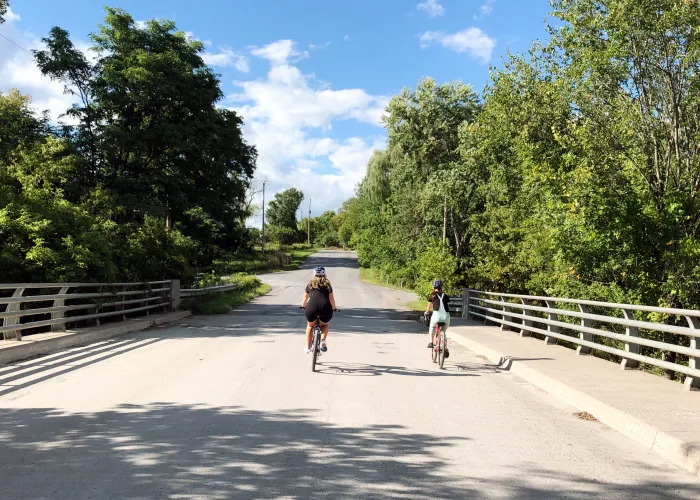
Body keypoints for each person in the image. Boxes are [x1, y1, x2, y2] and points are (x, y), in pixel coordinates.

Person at [301, 266, 337, 354]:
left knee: (310, 326)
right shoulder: (328, 285)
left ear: (314, 274)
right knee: (324, 325)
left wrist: (303, 306)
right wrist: (334, 308)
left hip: (311, 308)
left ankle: (307, 347)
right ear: (324, 274)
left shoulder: (310, 284)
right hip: (325, 308)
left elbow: (305, 298)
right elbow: (331, 299)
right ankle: (323, 340)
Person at [424, 279, 450, 356]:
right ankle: (445, 347)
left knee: (432, 327)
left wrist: (427, 312)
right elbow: (447, 306)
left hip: (436, 316)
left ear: (434, 287)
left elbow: (429, 306)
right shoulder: (445, 295)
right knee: (444, 332)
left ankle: (431, 342)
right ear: (441, 287)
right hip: (446, 317)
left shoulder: (432, 295)